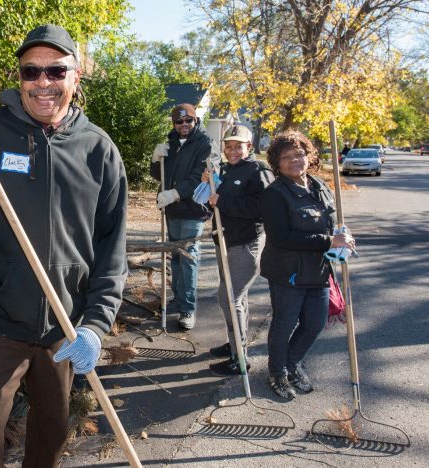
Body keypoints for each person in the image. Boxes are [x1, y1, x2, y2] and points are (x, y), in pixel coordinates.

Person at [0, 24, 127, 467]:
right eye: (32, 72)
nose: (43, 82)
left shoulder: (99, 151)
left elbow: (112, 250)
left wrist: (95, 325)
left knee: (49, 441)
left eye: (56, 70)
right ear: (20, 77)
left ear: (76, 77)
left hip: (64, 327)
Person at [260, 130, 355, 399]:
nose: (294, 161)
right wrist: (329, 240)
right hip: (288, 271)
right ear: (277, 163)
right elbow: (281, 236)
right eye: (286, 157)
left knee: (314, 323)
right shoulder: (275, 194)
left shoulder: (318, 185)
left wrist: (344, 237)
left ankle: (292, 363)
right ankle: (277, 372)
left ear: (308, 156)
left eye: (299, 154)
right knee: (284, 323)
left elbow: (333, 222)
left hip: (319, 270)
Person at [203, 125, 274, 376]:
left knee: (229, 298)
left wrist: (223, 201)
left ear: (249, 147)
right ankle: (234, 344)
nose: (233, 150)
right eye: (229, 146)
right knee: (237, 299)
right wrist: (210, 185)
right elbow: (213, 205)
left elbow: (261, 208)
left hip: (245, 245)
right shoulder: (228, 169)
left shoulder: (258, 171)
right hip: (226, 241)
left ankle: (240, 358)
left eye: (238, 146)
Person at [150, 103, 214, 330]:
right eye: (179, 122)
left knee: (187, 257)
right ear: (174, 124)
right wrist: (156, 160)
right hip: (172, 209)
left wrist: (176, 193)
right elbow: (160, 175)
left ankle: (188, 309)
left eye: (189, 121)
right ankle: (178, 299)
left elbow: (200, 176)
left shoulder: (205, 144)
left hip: (192, 209)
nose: (184, 125)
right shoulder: (172, 142)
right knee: (175, 255)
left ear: (195, 121)